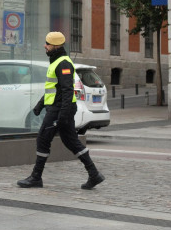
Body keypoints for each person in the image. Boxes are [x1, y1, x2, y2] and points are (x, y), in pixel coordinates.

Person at [17, 31, 105, 190]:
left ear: (55, 46)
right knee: (71, 142)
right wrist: (40, 105)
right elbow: (54, 89)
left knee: (43, 139)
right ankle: (94, 174)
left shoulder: (62, 63)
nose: (45, 46)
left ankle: (36, 177)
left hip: (59, 110)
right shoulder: (57, 61)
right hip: (59, 109)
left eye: (47, 43)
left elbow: (67, 90)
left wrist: (63, 115)